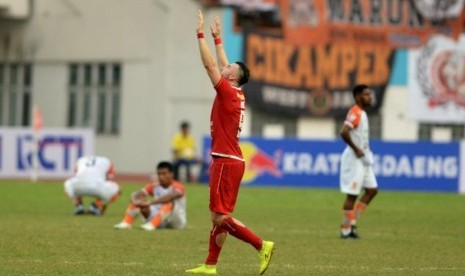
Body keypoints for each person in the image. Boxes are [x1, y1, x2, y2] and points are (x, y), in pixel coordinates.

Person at [185, 11, 275, 275]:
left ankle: (262, 245)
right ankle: (210, 266)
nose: (225, 69)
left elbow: (211, 66)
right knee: (219, 216)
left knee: (219, 217)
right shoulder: (236, 90)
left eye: (229, 70)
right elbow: (224, 64)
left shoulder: (226, 90)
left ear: (232, 77)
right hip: (231, 159)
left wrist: (200, 35)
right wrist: (218, 38)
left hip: (225, 160)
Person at [339, 84, 379, 239]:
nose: (370, 97)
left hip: (363, 158)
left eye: (370, 94)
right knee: (352, 195)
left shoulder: (362, 113)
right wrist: (356, 149)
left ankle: (351, 221)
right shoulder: (355, 112)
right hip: (354, 158)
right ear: (357, 97)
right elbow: (344, 131)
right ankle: (346, 229)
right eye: (366, 94)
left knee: (372, 190)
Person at [113, 161, 186, 231]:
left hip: (175, 220)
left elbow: (170, 197)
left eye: (164, 174)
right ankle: (126, 222)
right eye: (159, 174)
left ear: (171, 174)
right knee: (139, 202)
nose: (161, 177)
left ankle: (152, 224)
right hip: (160, 218)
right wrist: (136, 200)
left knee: (169, 203)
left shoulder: (178, 186)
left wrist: (150, 203)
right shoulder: (154, 186)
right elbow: (138, 194)